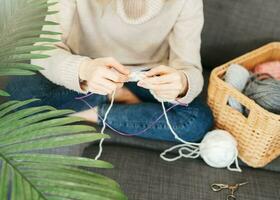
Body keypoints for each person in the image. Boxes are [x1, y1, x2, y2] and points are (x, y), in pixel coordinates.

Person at [7, 0, 213, 144]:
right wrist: (84, 70)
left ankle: (88, 111)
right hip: (83, 72)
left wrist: (181, 83)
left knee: (197, 121)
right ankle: (110, 97)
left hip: (143, 78)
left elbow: (190, 67)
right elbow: (44, 50)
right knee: (16, 94)